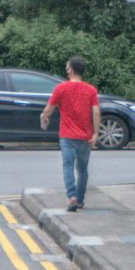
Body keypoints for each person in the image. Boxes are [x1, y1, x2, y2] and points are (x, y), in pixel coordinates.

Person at [40, 56, 100, 212]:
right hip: (85, 136)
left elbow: (48, 109)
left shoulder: (61, 89)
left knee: (67, 166)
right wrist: (95, 134)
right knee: (82, 169)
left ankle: (71, 196)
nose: (66, 69)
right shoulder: (91, 90)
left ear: (70, 69)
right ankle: (79, 199)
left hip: (67, 136)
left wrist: (44, 117)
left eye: (67, 67)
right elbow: (96, 111)